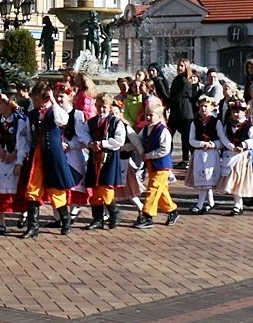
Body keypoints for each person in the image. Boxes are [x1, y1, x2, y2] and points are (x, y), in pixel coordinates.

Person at [21, 79, 85, 238]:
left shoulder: (54, 111)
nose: (34, 102)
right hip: (37, 157)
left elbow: (63, 120)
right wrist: (26, 152)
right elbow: (28, 135)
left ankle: (65, 219)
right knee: (32, 190)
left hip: (53, 157)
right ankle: (32, 226)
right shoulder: (32, 114)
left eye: (37, 98)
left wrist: (54, 101)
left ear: (45, 98)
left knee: (56, 190)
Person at [0, 93, 31, 235]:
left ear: (9, 105)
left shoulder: (20, 122)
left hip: (14, 158)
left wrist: (17, 157)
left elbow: (23, 143)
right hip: (0, 158)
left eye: (0, 103)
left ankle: (23, 213)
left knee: (18, 189)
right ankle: (1, 223)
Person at [132, 95, 180, 229]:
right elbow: (138, 141)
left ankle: (147, 215)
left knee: (153, 189)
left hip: (162, 166)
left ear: (159, 116)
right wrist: (127, 147)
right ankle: (172, 211)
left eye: (151, 115)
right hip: (151, 165)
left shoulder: (163, 131)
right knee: (161, 190)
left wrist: (148, 155)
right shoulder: (146, 129)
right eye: (146, 115)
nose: (148, 118)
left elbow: (164, 150)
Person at [84, 92, 128, 230]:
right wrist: (90, 143)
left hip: (108, 158)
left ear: (109, 107)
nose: (101, 109)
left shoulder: (115, 122)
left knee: (106, 187)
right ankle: (97, 218)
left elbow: (119, 141)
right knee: (95, 189)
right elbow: (83, 134)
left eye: (104, 107)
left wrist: (103, 143)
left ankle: (114, 212)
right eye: (98, 106)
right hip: (94, 158)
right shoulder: (91, 122)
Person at [216, 96, 253, 215]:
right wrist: (231, 146)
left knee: (239, 180)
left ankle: (238, 205)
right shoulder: (228, 125)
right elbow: (223, 137)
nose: (236, 114)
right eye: (234, 111)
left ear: (245, 112)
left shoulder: (248, 126)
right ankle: (237, 204)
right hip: (231, 156)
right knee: (233, 180)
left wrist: (244, 144)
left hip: (243, 157)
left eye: (239, 111)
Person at [187, 94, 221, 214]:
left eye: (206, 106)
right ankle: (211, 202)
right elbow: (191, 140)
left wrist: (214, 144)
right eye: (201, 106)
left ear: (211, 107)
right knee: (204, 180)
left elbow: (222, 139)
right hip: (199, 155)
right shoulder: (195, 123)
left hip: (211, 155)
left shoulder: (216, 122)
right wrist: (201, 144)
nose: (203, 109)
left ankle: (199, 205)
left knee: (207, 180)